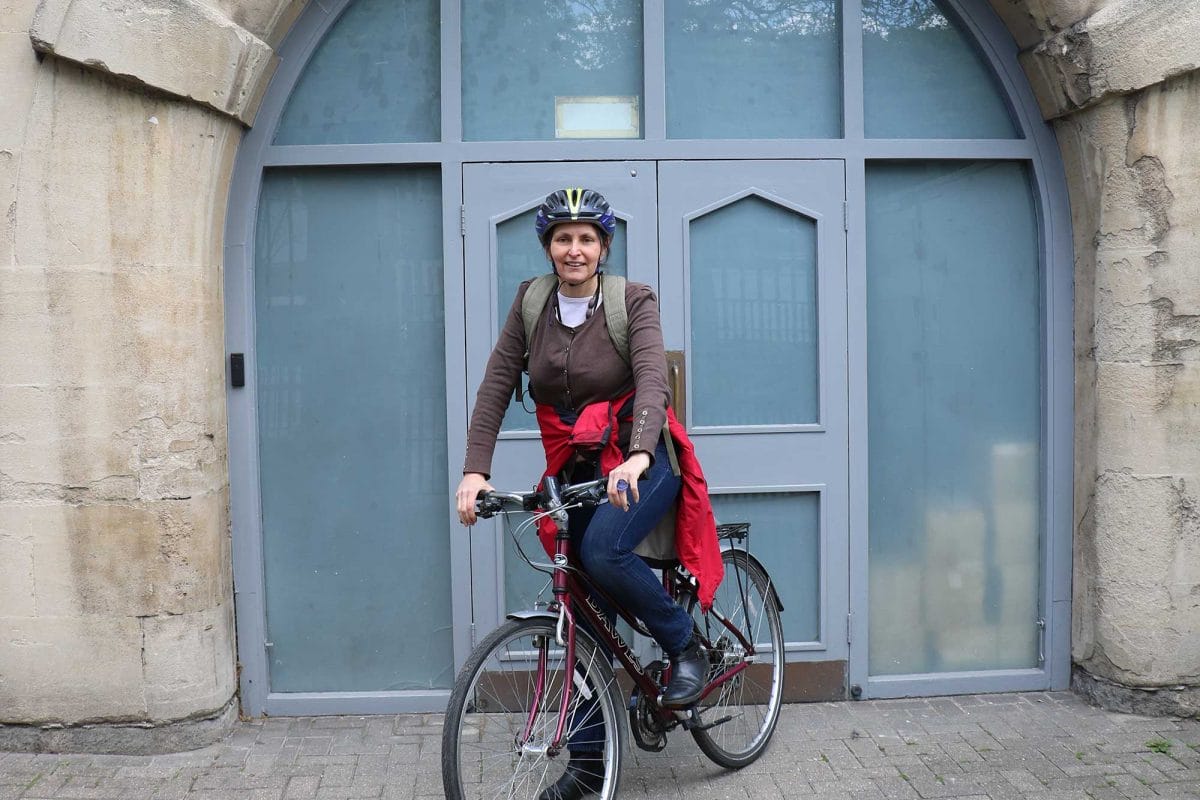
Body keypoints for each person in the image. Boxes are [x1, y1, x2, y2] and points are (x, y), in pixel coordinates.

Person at [455, 188, 718, 800]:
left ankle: (685, 646)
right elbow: (497, 384)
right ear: (548, 247)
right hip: (574, 470)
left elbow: (653, 378)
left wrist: (640, 454)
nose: (574, 250)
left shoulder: (633, 301)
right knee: (580, 618)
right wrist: (475, 470)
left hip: (642, 460)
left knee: (603, 552)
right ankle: (588, 763)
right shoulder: (530, 303)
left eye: (586, 239)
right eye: (563, 238)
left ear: (603, 247)